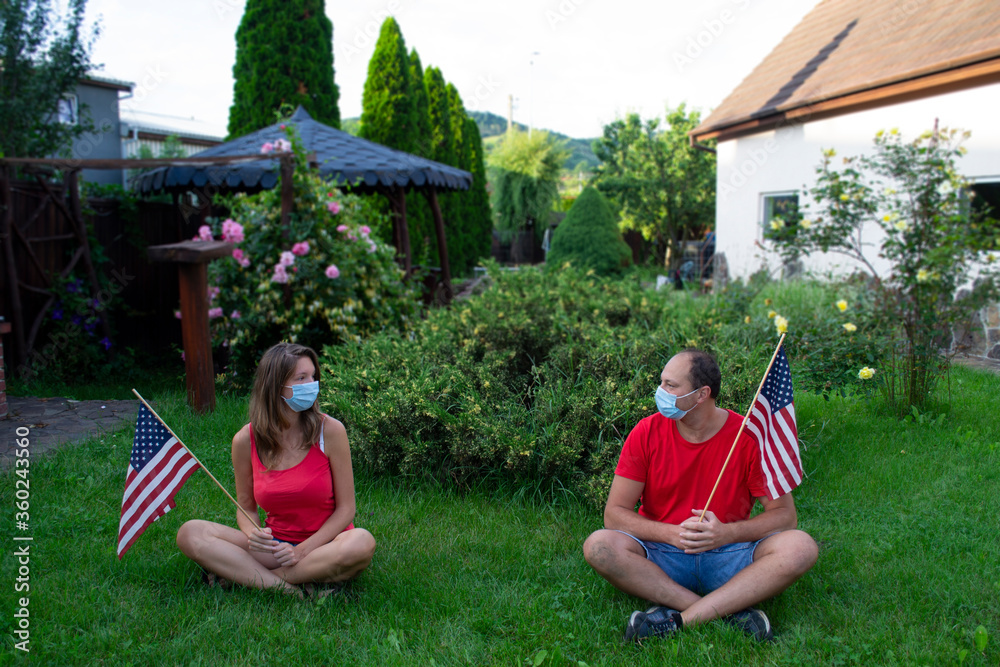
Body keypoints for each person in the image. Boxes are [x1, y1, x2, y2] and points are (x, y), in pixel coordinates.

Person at [582, 348, 817, 642]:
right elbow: (614, 513)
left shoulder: (747, 436)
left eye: (671, 385)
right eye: (661, 382)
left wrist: (726, 534)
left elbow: (785, 516)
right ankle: (727, 612)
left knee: (801, 547)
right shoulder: (647, 432)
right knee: (598, 545)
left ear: (701, 394)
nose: (660, 391)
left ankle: (675, 618)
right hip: (660, 554)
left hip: (729, 555)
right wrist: (670, 534)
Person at [176, 343, 375, 597]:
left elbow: (346, 510)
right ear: (275, 385)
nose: (312, 384)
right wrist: (253, 533)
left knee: (362, 543)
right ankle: (292, 590)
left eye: (313, 376)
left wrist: (301, 551)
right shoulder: (245, 440)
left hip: (326, 546)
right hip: (275, 547)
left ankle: (247, 579)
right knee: (190, 532)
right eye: (301, 378)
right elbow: (246, 507)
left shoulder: (331, 431)